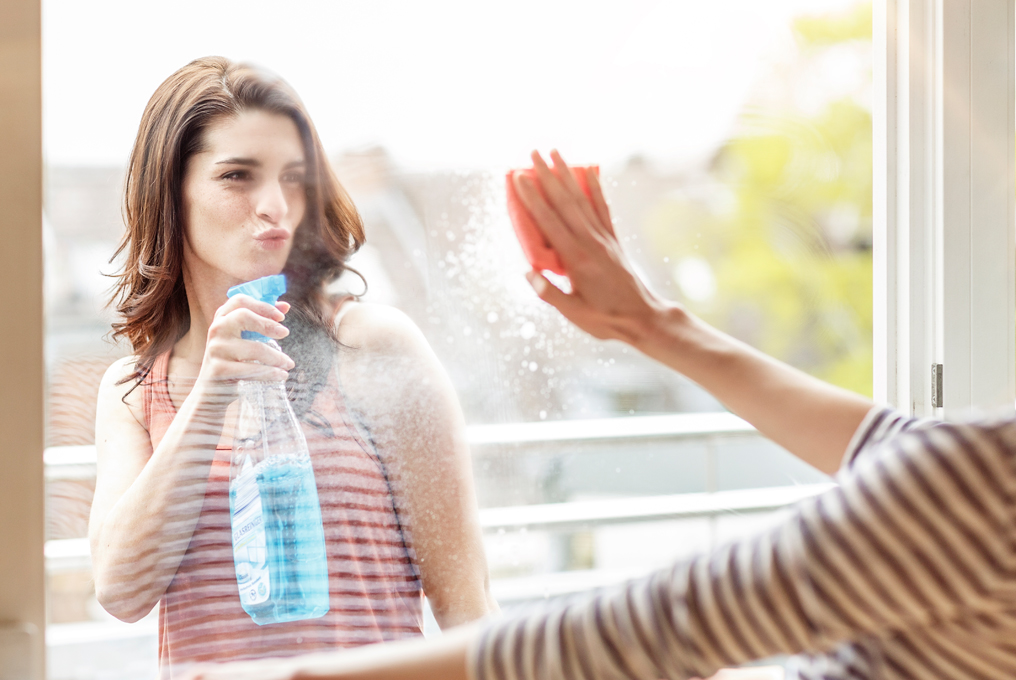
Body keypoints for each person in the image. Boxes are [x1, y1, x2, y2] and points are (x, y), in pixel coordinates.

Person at [181, 149, 1016, 680]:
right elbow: (899, 448)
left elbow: (651, 633)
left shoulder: (980, 490)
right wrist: (652, 324)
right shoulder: (980, 478)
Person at [88, 57, 497, 677]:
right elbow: (121, 592)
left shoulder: (371, 346)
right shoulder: (132, 390)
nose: (274, 205)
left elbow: (467, 606)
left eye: (295, 178)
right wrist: (211, 396)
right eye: (237, 176)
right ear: (170, 192)